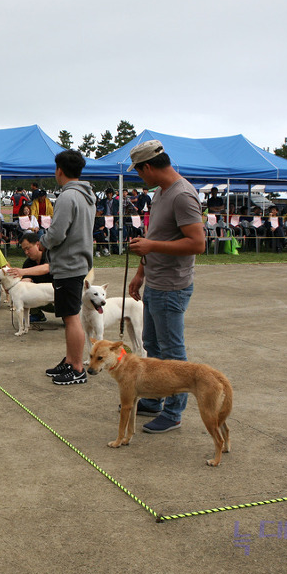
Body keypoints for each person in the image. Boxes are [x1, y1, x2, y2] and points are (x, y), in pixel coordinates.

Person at [126, 140, 206, 432]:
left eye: (139, 172)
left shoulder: (182, 195)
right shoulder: (160, 192)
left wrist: (151, 246)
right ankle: (157, 397)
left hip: (173, 286)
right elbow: (156, 235)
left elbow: (197, 243)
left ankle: (174, 412)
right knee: (153, 345)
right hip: (156, 282)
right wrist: (140, 272)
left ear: (147, 167)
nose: (140, 177)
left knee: (173, 353)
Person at [41, 150, 95, 386]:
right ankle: (71, 359)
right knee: (68, 315)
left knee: (71, 318)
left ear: (59, 170)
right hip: (78, 261)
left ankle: (77, 367)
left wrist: (41, 241)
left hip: (69, 263)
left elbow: (57, 233)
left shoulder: (67, 196)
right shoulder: (87, 195)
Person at [5, 231, 53, 322]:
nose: (26, 252)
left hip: (58, 296)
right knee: (26, 291)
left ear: (37, 244)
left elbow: (46, 268)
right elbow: (25, 281)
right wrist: (12, 287)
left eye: (28, 248)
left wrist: (22, 271)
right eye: (24, 250)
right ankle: (37, 315)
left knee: (69, 318)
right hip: (42, 300)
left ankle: (69, 314)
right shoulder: (28, 263)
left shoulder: (50, 255)